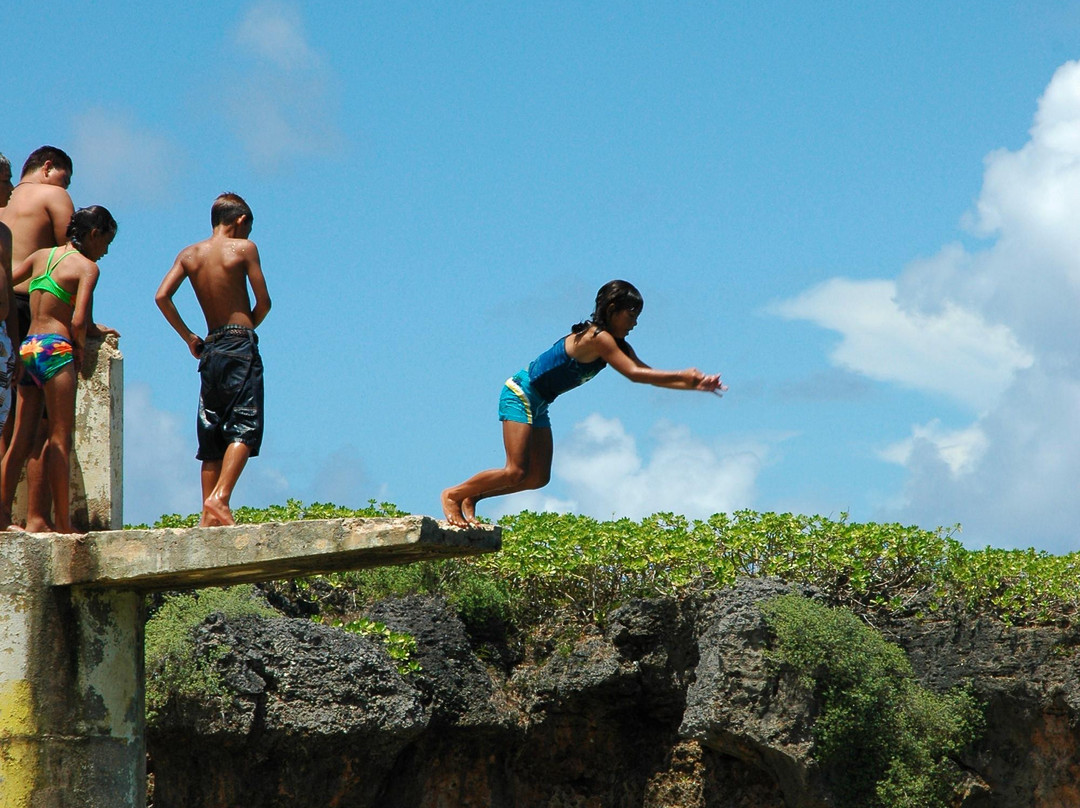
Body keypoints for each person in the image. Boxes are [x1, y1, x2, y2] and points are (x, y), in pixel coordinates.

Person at [441, 279, 726, 527]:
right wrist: (683, 374)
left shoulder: (617, 345)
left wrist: (695, 384)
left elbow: (647, 374)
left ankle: (474, 494)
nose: (635, 323)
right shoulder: (597, 337)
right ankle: (453, 495)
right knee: (515, 471)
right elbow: (634, 375)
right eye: (631, 314)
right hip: (521, 393)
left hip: (540, 402)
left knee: (538, 478)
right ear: (612, 309)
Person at [155, 193, 271, 527]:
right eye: (248, 226)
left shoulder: (189, 254)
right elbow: (264, 302)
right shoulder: (244, 249)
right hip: (239, 344)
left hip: (210, 348)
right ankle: (219, 499)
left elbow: (162, 296)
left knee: (212, 431)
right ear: (240, 220)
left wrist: (190, 336)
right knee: (245, 427)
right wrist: (246, 327)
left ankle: (207, 515)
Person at [0, 206, 117, 533]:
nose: (106, 251)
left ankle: (1, 513)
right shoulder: (87, 268)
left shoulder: (41, 256)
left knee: (21, 438)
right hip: (55, 349)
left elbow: (8, 282)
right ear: (94, 234)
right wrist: (80, 348)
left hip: (29, 346)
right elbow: (78, 319)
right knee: (60, 438)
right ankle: (64, 525)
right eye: (106, 242)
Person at [0, 146, 77, 531]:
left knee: (8, 424)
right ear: (49, 168)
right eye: (66, 178)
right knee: (42, 427)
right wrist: (86, 326)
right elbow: (70, 256)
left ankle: (2, 516)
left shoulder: (4, 203)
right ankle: (36, 517)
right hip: (35, 312)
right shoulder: (53, 195)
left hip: (5, 309)